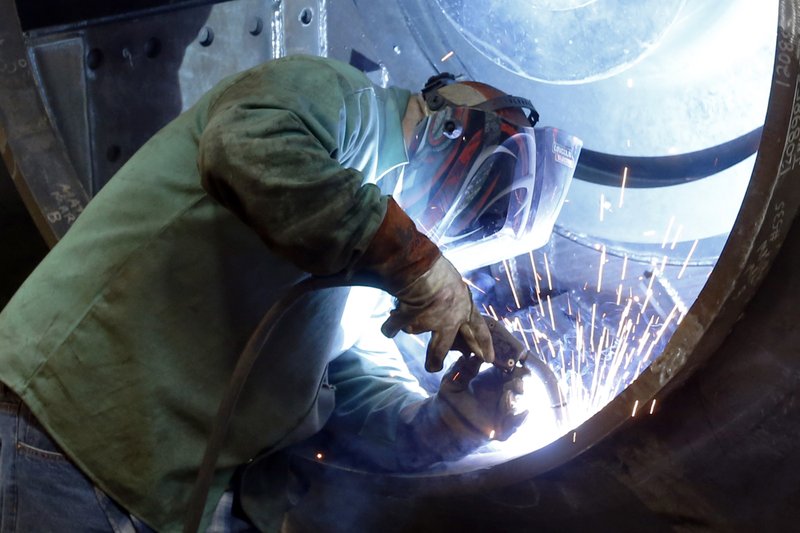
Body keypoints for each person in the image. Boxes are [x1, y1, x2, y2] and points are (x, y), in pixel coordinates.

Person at [0, 55, 545, 532]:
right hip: (70, 442)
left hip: (171, 494)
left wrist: (445, 424)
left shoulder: (369, 263)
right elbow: (245, 146)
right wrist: (413, 260)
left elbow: (340, 386)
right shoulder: (344, 101)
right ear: (456, 133)